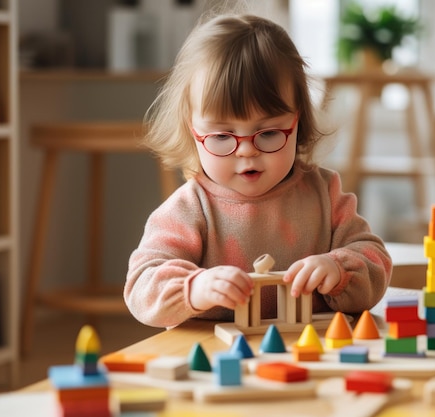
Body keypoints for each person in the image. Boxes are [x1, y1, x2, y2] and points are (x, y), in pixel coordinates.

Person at [124, 14, 392, 328]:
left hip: (309, 351)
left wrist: (337, 269)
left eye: (268, 134)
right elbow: (142, 284)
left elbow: (375, 261)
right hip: (215, 359)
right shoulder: (190, 209)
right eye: (222, 137)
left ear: (298, 122)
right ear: (192, 130)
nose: (247, 151)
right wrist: (194, 289)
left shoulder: (326, 195)